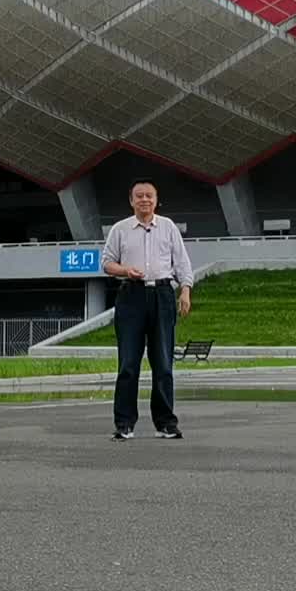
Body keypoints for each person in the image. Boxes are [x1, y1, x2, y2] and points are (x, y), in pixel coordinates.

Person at [101, 178, 194, 440]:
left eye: (149, 196)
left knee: (163, 363)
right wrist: (125, 271)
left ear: (156, 200)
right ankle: (124, 423)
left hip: (163, 295)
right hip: (131, 295)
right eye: (139, 196)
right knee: (128, 363)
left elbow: (181, 262)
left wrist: (185, 289)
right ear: (131, 201)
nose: (144, 200)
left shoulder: (167, 227)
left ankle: (165, 422)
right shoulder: (120, 229)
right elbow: (107, 263)